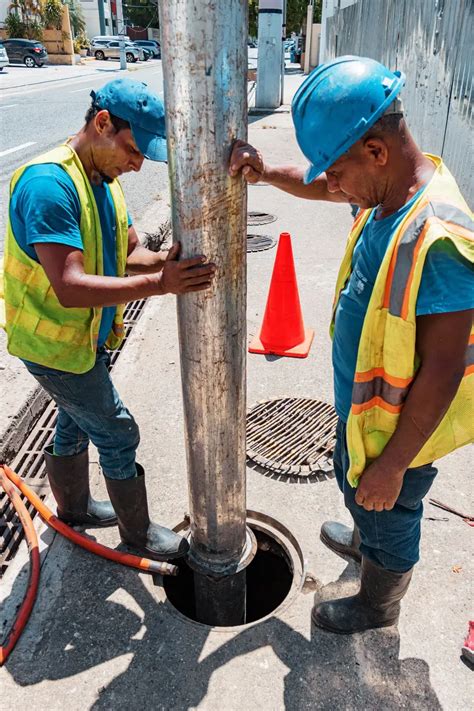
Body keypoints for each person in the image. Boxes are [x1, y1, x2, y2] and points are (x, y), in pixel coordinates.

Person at [229, 56, 473, 633]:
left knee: (393, 511)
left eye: (336, 170)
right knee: (361, 494)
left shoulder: (437, 238)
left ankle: (377, 603)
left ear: (377, 150)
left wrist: (391, 467)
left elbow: (442, 373)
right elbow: (319, 187)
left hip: (400, 437)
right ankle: (365, 535)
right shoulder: (385, 191)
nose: (331, 185)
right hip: (365, 414)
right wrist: (263, 175)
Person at [1, 78, 216, 562]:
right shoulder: (48, 185)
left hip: (80, 341)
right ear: (102, 124)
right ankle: (137, 536)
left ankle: (73, 507)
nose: (138, 164)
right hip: (52, 346)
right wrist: (161, 285)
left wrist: (165, 262)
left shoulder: (103, 182)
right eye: (133, 150)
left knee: (75, 420)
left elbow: (129, 252)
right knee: (118, 431)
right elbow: (70, 284)